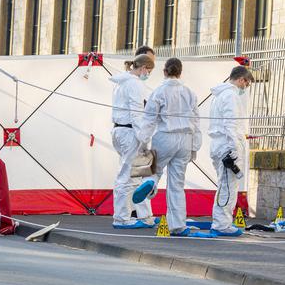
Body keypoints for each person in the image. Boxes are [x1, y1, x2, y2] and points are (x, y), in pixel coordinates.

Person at [132, 58, 209, 237]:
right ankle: (178, 225)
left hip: (165, 136)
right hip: (185, 139)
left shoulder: (158, 92)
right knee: (177, 184)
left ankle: (150, 182)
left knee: (153, 170)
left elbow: (150, 120)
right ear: (180, 72)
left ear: (164, 72)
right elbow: (195, 121)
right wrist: (194, 147)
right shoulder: (190, 93)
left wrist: (143, 142)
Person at [108, 54, 156, 229]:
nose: (148, 74)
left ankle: (143, 215)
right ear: (143, 68)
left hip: (119, 130)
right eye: (149, 71)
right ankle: (121, 217)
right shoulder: (134, 84)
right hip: (130, 132)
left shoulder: (121, 83)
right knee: (126, 175)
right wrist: (144, 138)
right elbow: (136, 112)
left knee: (132, 174)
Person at [208, 65, 254, 237]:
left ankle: (222, 221)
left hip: (219, 144)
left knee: (224, 184)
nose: (245, 88)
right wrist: (234, 148)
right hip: (227, 146)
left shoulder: (220, 95)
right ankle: (222, 223)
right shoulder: (231, 96)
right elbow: (230, 124)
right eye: (246, 84)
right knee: (228, 186)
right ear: (241, 79)